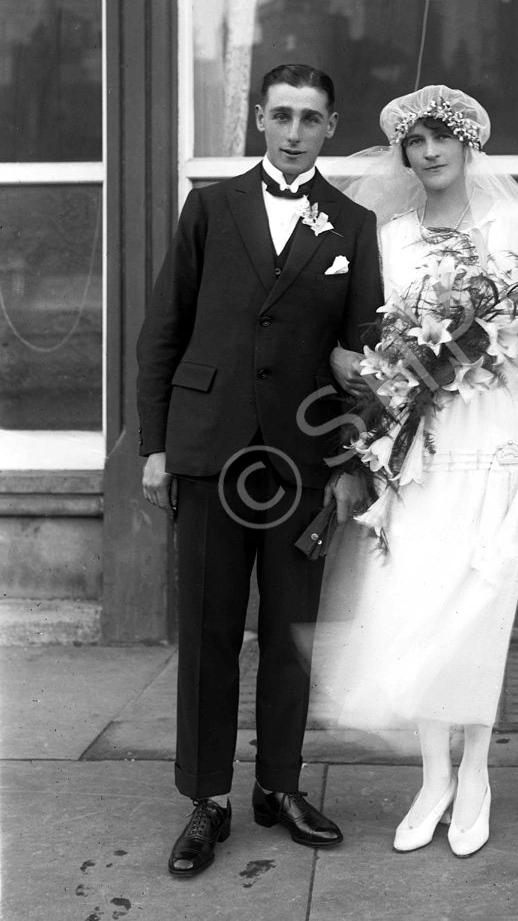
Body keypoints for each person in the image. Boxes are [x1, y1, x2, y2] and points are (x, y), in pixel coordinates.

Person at [318, 85, 518, 858]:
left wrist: (483, 353)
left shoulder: (511, 224)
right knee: (421, 602)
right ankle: (433, 776)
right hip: (419, 446)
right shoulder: (391, 238)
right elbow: (370, 336)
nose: (428, 153)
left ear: (469, 147)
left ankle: (477, 775)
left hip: (489, 435)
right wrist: (392, 370)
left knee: (480, 598)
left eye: (442, 139)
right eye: (416, 142)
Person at [136, 64, 383, 876]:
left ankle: (278, 785)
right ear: (258, 119)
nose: (293, 131)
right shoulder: (211, 206)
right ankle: (207, 799)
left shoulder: (353, 225)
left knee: (290, 635)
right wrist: (156, 445)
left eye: (311, 118)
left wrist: (350, 466)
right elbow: (163, 331)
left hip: (302, 465)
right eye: (281, 116)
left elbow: (367, 360)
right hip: (210, 452)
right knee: (209, 631)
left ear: (331, 127)